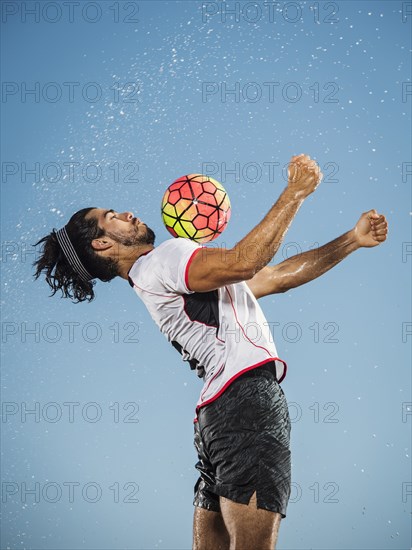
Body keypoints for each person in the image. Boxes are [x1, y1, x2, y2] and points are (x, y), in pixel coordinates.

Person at [33, 154, 388, 549]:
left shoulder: (154, 279)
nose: (128, 214)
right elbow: (245, 260)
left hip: (215, 418)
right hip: (245, 403)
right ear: (102, 244)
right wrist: (296, 192)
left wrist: (351, 240)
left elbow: (273, 277)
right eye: (112, 216)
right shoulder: (165, 258)